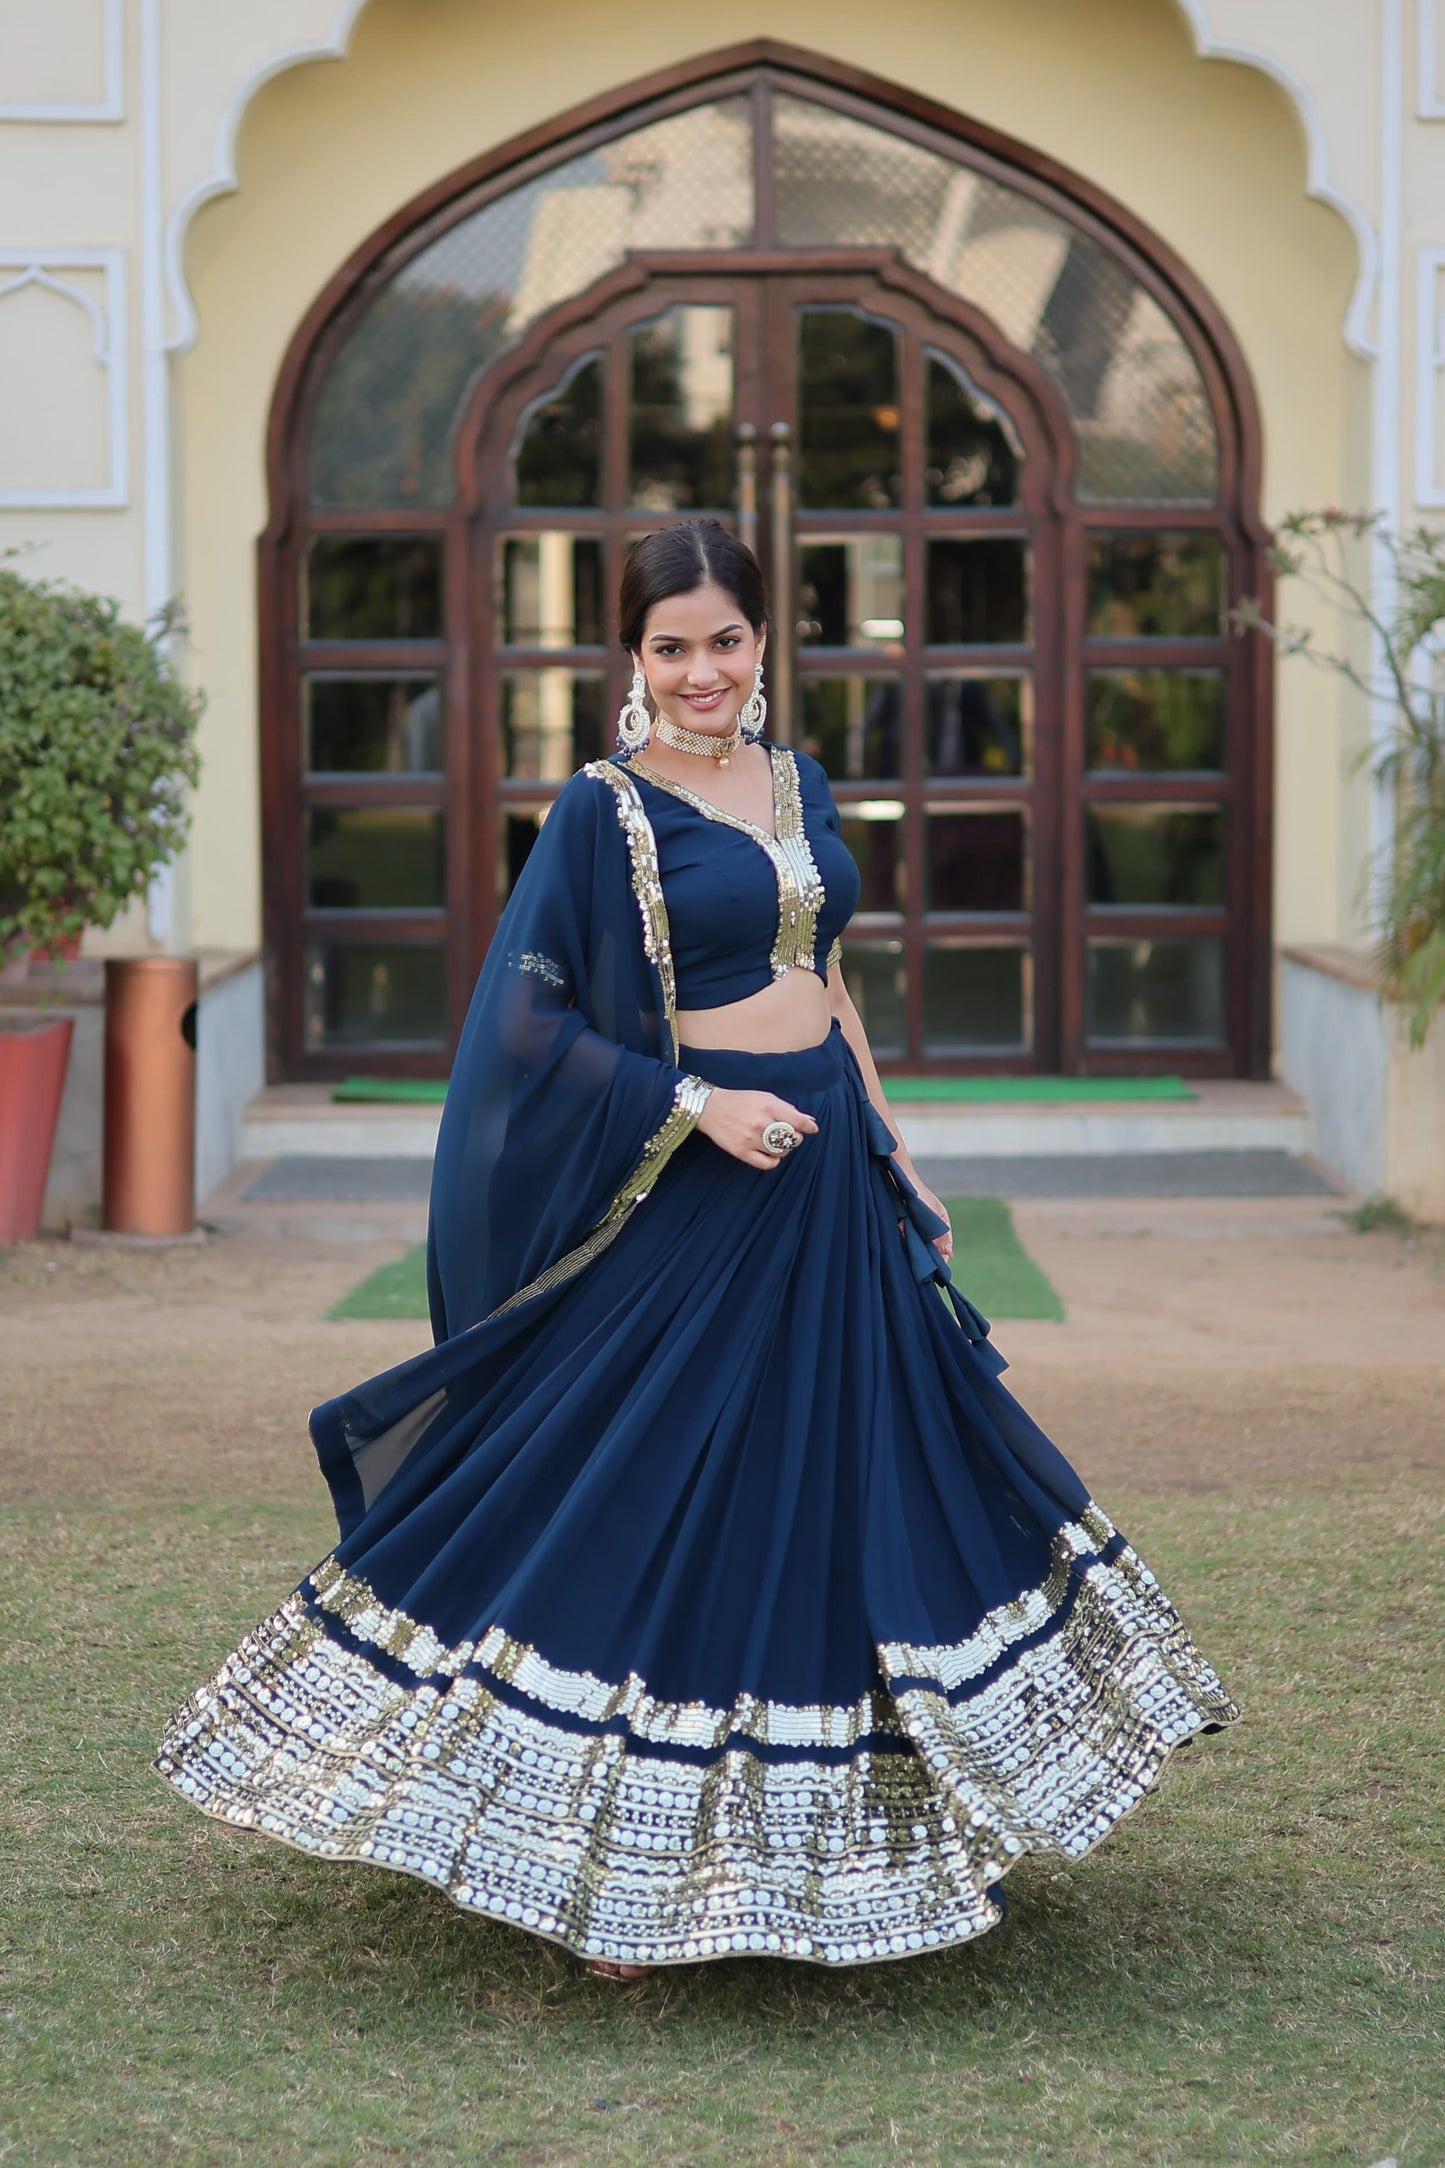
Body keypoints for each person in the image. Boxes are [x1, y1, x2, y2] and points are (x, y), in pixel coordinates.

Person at [157, 519, 1238, 1978]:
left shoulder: (799, 782)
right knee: (651, 1477)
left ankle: (861, 1828)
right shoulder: (604, 811)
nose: (700, 671)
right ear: (633, 656)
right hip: (705, 1178)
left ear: (762, 644)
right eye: (670, 646)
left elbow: (822, 975)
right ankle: (601, 1854)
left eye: (724, 640)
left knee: (849, 1475)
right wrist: (696, 1103)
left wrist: (890, 1140)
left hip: (827, 1173)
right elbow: (529, 1022)